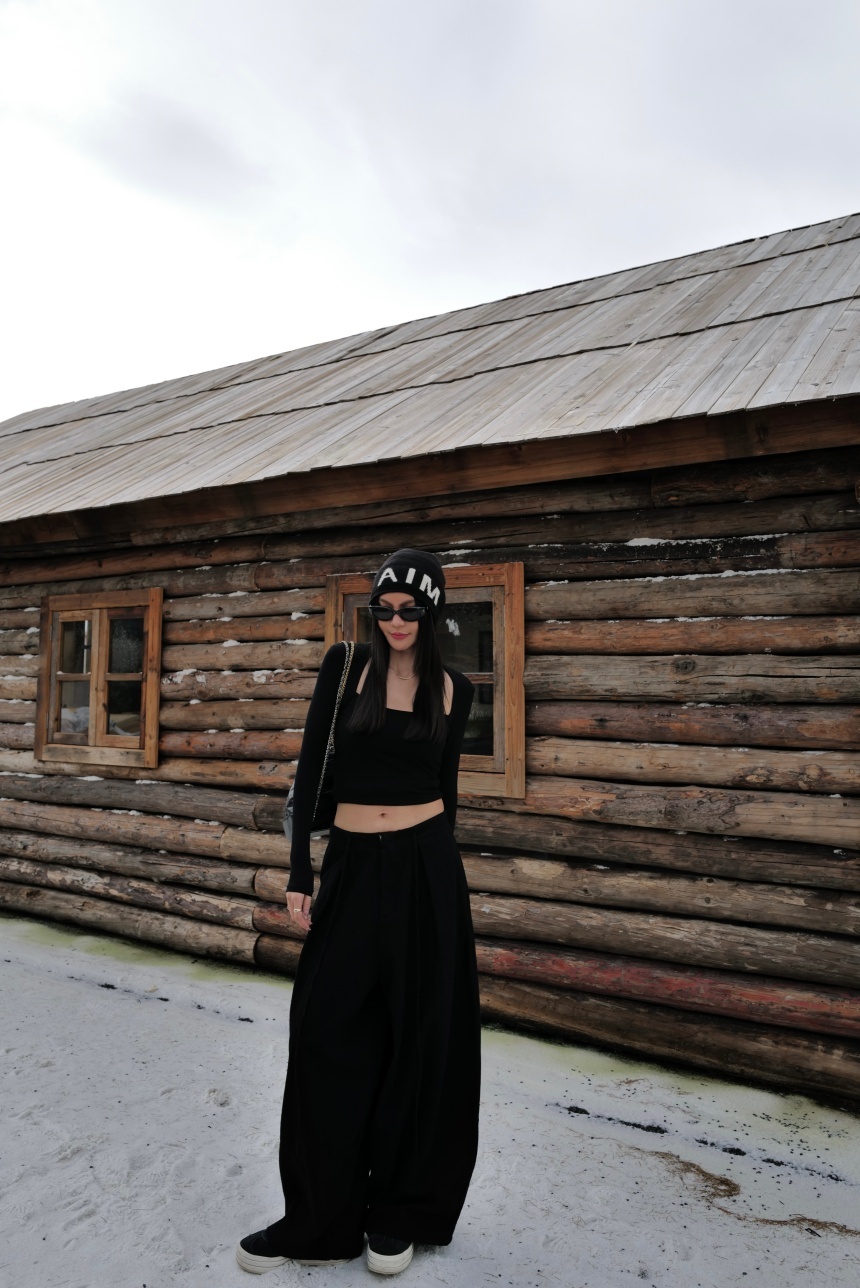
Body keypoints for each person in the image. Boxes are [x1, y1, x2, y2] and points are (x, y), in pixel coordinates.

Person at [237, 548, 480, 1277]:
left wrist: (438, 885)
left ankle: (401, 1214)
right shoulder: (345, 668)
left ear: (432, 613)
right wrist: (299, 871)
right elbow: (311, 767)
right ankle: (321, 1218)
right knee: (324, 1029)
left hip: (425, 870)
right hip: (349, 865)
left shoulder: (455, 689)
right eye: (385, 608)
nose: (396, 621)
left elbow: (447, 793)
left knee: (421, 1040)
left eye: (411, 609)